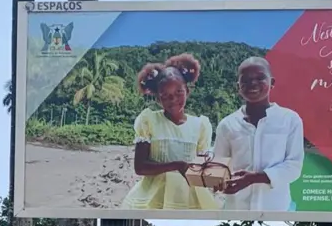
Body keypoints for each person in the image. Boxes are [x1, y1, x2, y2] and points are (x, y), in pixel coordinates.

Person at [120, 53, 220, 211]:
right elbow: (140, 167)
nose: (173, 99)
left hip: (190, 197)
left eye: (179, 92)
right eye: (165, 96)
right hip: (154, 197)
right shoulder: (149, 121)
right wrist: (176, 165)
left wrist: (215, 177)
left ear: (187, 90)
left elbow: (200, 167)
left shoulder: (200, 125)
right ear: (158, 99)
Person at [212, 57, 304, 214]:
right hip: (236, 214)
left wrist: (254, 178)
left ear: (272, 82)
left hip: (278, 213)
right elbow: (219, 166)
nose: (253, 84)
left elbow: (293, 167)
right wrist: (218, 182)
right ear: (238, 87)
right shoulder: (227, 125)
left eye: (260, 78)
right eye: (246, 80)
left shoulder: (290, 120)